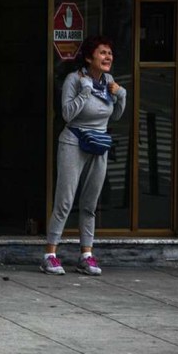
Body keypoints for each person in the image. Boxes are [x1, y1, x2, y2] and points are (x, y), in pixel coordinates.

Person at [41, 35, 127, 276]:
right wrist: (85, 92)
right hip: (74, 142)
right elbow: (67, 114)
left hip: (99, 145)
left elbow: (115, 115)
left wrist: (121, 95)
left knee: (90, 204)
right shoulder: (74, 79)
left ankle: (86, 255)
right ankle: (50, 254)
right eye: (102, 53)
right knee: (65, 201)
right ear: (89, 57)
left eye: (109, 53)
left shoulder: (109, 81)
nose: (107, 57)